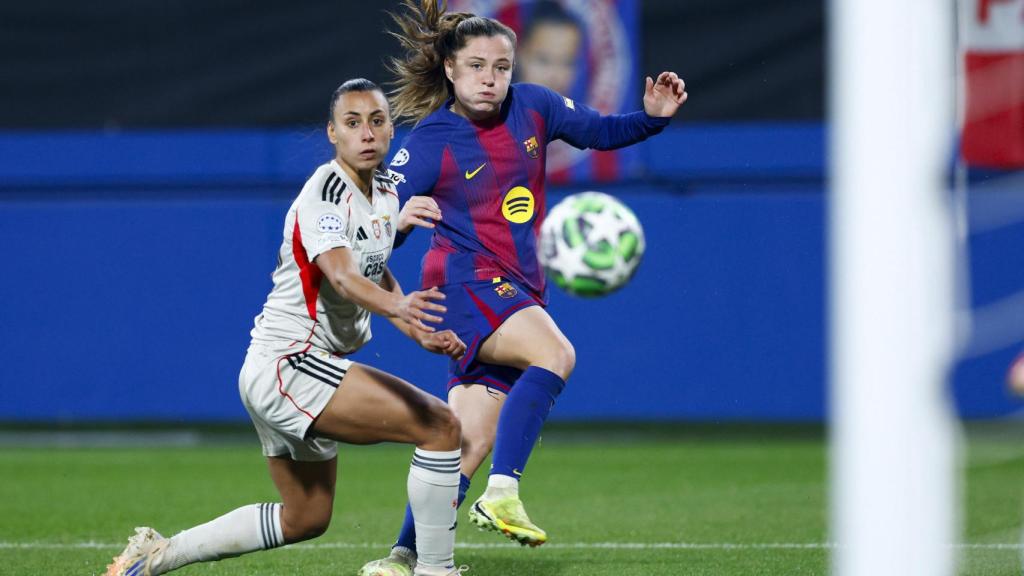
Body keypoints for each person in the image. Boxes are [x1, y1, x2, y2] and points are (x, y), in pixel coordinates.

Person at [360, 2, 687, 574]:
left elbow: (600, 131)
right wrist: (396, 223)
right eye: (477, 66)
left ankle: (402, 556)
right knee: (555, 353)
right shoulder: (430, 140)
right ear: (451, 72)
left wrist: (651, 117)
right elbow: (373, 232)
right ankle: (503, 492)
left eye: (502, 66)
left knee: (465, 442)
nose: (491, 78)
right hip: (460, 286)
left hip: (516, 288)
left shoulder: (533, 106)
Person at [104, 78, 470, 576]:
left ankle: (158, 557)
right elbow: (341, 274)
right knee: (442, 425)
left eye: (377, 121)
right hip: (289, 363)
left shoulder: (385, 191)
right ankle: (435, 570)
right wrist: (398, 309)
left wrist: (414, 325)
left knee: (306, 518)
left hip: (284, 368)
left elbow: (371, 266)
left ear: (391, 132)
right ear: (333, 133)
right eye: (352, 122)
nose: (366, 132)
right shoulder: (326, 188)